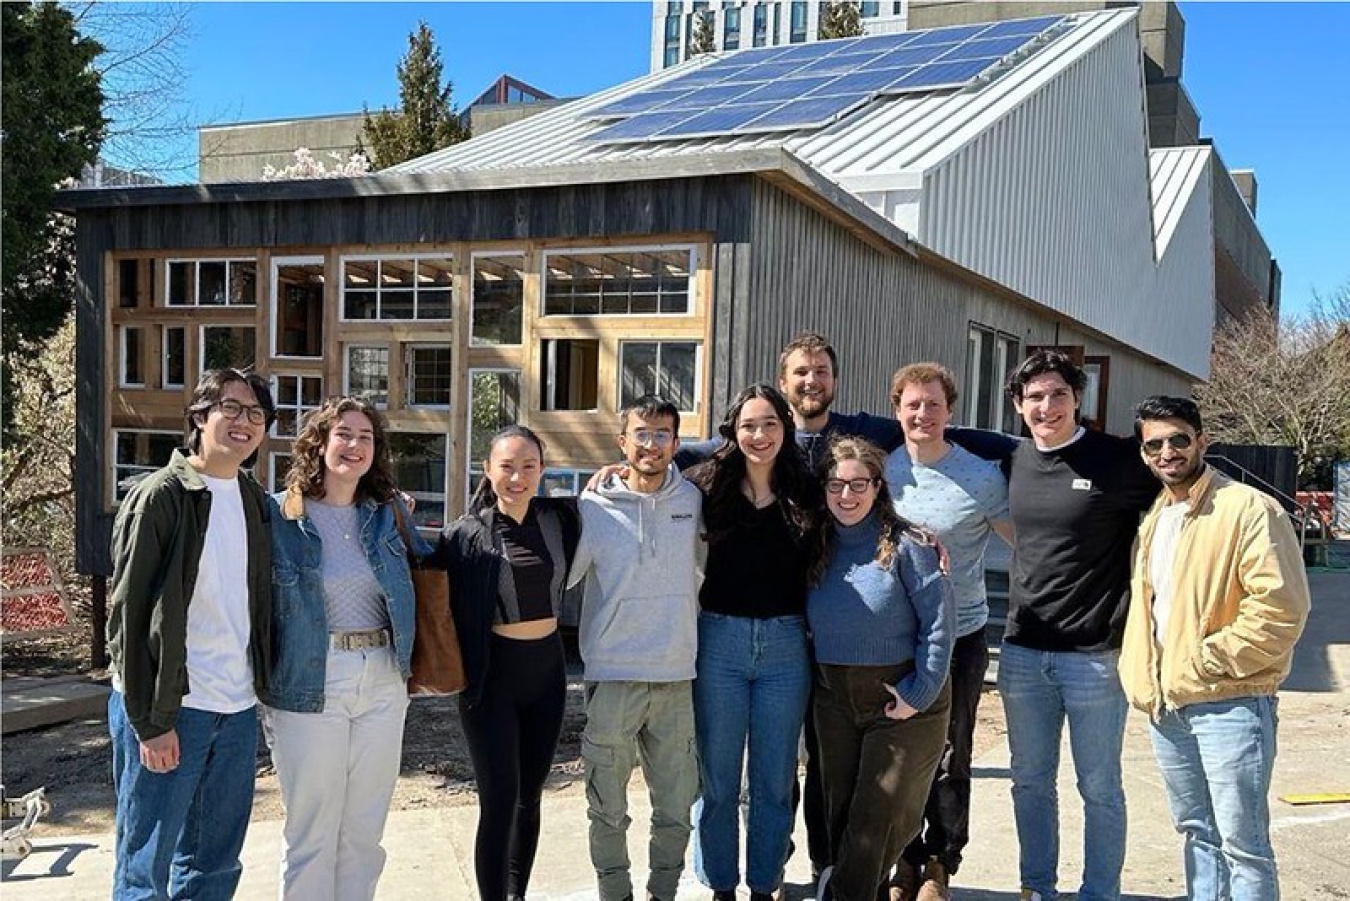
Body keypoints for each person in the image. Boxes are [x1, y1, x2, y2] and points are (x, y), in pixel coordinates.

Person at [1119, 396, 1309, 900]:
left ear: (1202, 440)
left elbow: (1281, 608)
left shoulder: (1248, 509)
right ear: (1143, 454)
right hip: (1168, 706)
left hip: (1230, 703)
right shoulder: (1158, 516)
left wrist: (1208, 659)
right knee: (1197, 835)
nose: (1167, 452)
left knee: (1242, 845)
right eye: (1153, 444)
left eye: (1178, 438)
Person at [994, 350, 1159, 901]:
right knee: (1030, 784)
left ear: (1077, 399)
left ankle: (1099, 893)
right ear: (1018, 405)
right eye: (1035, 397)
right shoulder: (1012, 460)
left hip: (1094, 657)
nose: (1047, 406)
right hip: (1021, 655)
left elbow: (1191, 493)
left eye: (1058, 394)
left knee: (1101, 788)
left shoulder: (1118, 461)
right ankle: (1036, 887)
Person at [106, 368, 275, 899]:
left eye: (256, 413)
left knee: (215, 864)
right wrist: (150, 722)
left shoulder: (252, 499)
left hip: (236, 708)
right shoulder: (161, 496)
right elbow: (127, 618)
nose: (244, 422)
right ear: (200, 418)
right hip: (170, 707)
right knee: (145, 867)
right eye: (232, 408)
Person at [261, 396, 426, 900]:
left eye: (366, 438)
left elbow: (438, 564)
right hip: (311, 680)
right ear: (320, 443)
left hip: (382, 677)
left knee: (363, 832)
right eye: (344, 435)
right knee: (313, 832)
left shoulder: (387, 515)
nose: (355, 445)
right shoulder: (279, 516)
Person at [687, 384, 821, 901]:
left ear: (785, 428)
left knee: (773, 780)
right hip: (718, 640)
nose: (759, 435)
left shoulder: (807, 490)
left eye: (769, 424)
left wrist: (921, 537)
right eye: (748, 425)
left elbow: (862, 515)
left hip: (786, 647)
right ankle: (721, 883)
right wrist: (611, 474)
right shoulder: (705, 484)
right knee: (718, 778)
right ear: (733, 431)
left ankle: (765, 884)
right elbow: (650, 484)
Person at [883, 363, 1012, 901]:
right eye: (912, 404)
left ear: (950, 412)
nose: (922, 414)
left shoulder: (980, 476)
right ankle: (903, 859)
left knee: (952, 750)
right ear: (897, 410)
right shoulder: (882, 469)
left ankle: (940, 859)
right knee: (899, 752)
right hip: (893, 638)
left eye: (933, 405)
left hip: (961, 635)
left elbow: (1027, 540)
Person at [568, 395, 703, 901]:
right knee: (606, 804)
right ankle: (615, 893)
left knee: (674, 805)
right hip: (612, 675)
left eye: (661, 433)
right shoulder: (591, 506)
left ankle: (662, 892)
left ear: (675, 441)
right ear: (621, 441)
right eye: (640, 434)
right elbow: (563, 578)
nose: (651, 444)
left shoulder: (693, 502)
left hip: (675, 677)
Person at [439, 425, 582, 901]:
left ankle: (517, 893)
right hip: (491, 680)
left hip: (548, 673)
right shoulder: (465, 534)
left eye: (528, 466)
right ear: (488, 470)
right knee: (499, 801)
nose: (517, 477)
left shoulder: (560, 518)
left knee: (531, 795)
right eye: (507, 466)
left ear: (542, 470)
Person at [809, 437, 955, 901]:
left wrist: (920, 691)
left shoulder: (910, 545)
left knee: (879, 815)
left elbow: (938, 623)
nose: (846, 495)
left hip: (902, 695)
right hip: (833, 697)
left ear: (877, 486)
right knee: (842, 813)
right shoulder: (815, 542)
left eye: (858, 484)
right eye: (836, 484)